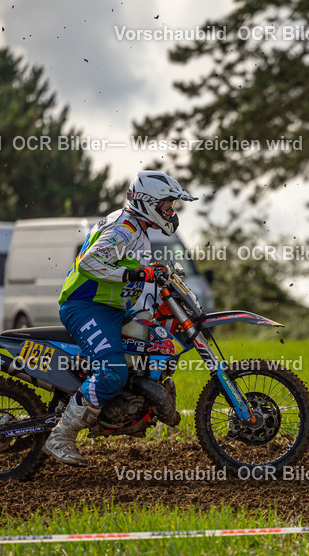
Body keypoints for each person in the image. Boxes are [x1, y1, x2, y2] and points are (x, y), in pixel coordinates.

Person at [43, 170, 197, 466]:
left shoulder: (136, 229)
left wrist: (156, 271)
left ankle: (130, 406)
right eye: (166, 206)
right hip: (85, 306)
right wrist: (136, 273)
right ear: (148, 202)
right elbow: (88, 262)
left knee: (152, 344)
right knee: (112, 371)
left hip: (111, 307)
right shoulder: (123, 228)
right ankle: (60, 436)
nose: (170, 212)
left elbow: (127, 266)